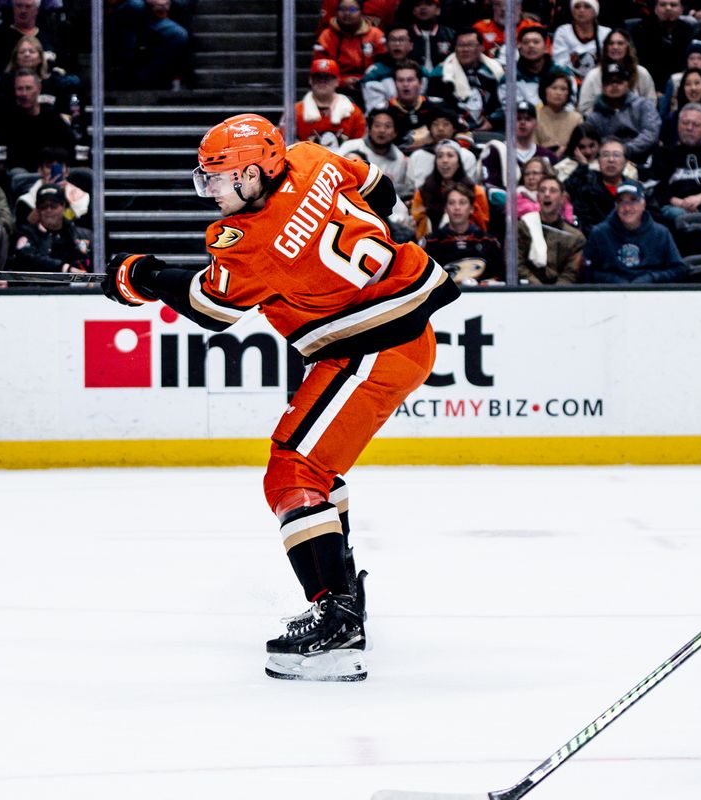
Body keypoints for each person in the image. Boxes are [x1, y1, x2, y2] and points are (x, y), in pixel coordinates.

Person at [99, 114, 459, 681]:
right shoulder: (311, 157)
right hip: (400, 331)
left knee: (293, 473)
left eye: (215, 177)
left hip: (369, 346)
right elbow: (378, 188)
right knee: (317, 472)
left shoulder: (250, 239)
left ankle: (337, 620)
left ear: (249, 174)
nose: (207, 188)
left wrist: (140, 278)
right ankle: (343, 601)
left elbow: (213, 308)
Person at [583, 180, 686, 283]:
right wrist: (614, 281)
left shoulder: (661, 233)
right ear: (616, 206)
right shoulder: (599, 233)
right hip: (611, 295)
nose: (627, 208)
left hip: (652, 295)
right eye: (621, 202)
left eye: (633, 200)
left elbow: (679, 269)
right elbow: (587, 271)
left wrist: (651, 278)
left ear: (643, 204)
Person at [423, 182, 505, 283]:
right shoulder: (431, 242)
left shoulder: (489, 241)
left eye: (462, 202)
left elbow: (500, 276)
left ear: (471, 208)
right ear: (445, 208)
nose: (457, 207)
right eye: (452, 203)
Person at [425, 27, 502, 132]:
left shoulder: (494, 72)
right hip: (453, 131)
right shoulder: (440, 73)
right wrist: (458, 123)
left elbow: (504, 102)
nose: (465, 49)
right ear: (454, 48)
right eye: (461, 45)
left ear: (481, 47)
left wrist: (492, 121)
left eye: (470, 45)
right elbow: (435, 105)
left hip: (490, 130)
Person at [584, 62, 661, 163]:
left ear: (627, 84)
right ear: (603, 86)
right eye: (609, 82)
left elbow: (651, 133)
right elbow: (592, 143)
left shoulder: (644, 105)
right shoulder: (594, 116)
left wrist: (625, 149)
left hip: (644, 160)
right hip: (609, 162)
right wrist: (614, 152)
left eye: (619, 81)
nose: (614, 85)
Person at [518, 174, 585, 284]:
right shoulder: (524, 226)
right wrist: (539, 290)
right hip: (528, 291)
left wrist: (553, 293)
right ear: (538, 196)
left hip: (561, 295)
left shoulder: (574, 237)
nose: (547, 194)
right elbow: (517, 265)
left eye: (553, 191)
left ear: (562, 198)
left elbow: (571, 273)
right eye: (542, 190)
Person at [11, 183, 91, 274]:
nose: (48, 210)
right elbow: (27, 257)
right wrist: (64, 268)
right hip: (38, 285)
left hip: (75, 285)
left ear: (63, 206)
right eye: (43, 206)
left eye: (53, 206)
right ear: (37, 209)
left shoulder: (78, 234)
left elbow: (88, 261)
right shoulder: (25, 232)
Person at [577, 28, 657, 116]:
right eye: (611, 43)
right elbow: (583, 108)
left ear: (628, 46)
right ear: (606, 47)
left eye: (620, 43)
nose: (615, 47)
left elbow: (651, 104)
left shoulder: (641, 73)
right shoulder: (593, 75)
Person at [294, 58, 366, 150]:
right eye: (318, 77)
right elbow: (286, 143)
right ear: (310, 80)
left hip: (344, 162)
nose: (322, 82)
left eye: (327, 78)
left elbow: (360, 146)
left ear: (337, 81)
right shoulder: (295, 112)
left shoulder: (354, 112)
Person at [552, 0, 610, 83]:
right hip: (569, 83)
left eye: (587, 6)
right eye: (577, 7)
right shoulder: (563, 32)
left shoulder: (606, 33)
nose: (581, 10)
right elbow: (560, 64)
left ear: (595, 11)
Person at [536, 69, 583, 159]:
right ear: (544, 90)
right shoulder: (534, 116)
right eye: (554, 88)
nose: (558, 93)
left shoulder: (576, 118)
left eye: (563, 89)